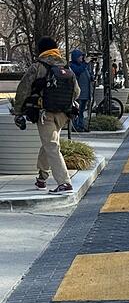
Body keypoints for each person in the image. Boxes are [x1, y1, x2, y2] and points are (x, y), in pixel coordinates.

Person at [13, 37, 80, 195]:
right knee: (49, 143)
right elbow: (77, 92)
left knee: (51, 146)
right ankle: (42, 178)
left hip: (45, 113)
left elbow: (23, 90)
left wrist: (18, 112)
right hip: (64, 114)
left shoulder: (37, 67)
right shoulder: (65, 67)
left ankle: (64, 183)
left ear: (41, 50)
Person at [69, 49, 92, 132]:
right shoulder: (72, 66)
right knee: (77, 111)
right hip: (78, 93)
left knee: (82, 111)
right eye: (80, 56)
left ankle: (81, 125)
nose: (82, 58)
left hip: (86, 92)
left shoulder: (84, 66)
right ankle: (75, 126)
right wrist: (85, 63)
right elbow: (78, 71)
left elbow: (88, 74)